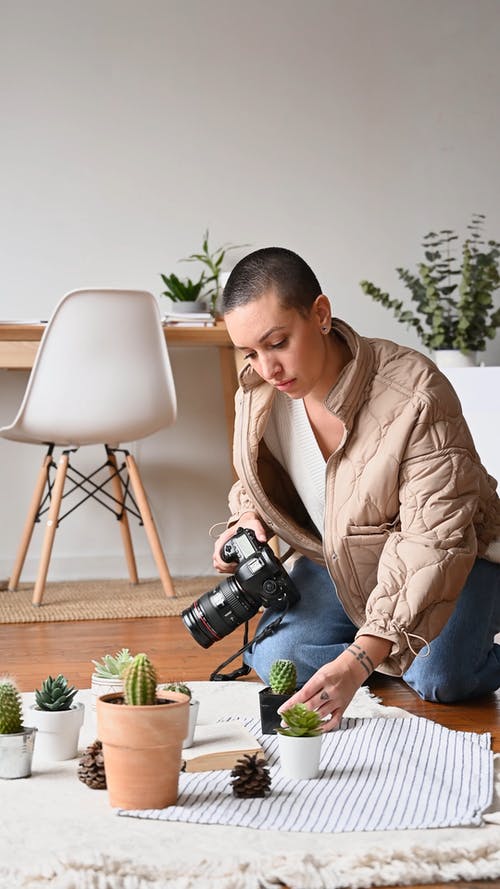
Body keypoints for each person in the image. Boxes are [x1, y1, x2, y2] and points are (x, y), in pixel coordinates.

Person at [212, 246, 500, 731]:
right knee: (278, 656)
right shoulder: (260, 393)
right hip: (341, 561)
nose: (267, 369)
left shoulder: (416, 392)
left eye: (277, 343)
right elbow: (259, 476)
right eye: (250, 353)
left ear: (321, 314)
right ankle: (385, 650)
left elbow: (433, 540)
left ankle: (391, 652)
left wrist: (359, 660)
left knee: (440, 677)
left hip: (456, 558)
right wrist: (247, 519)